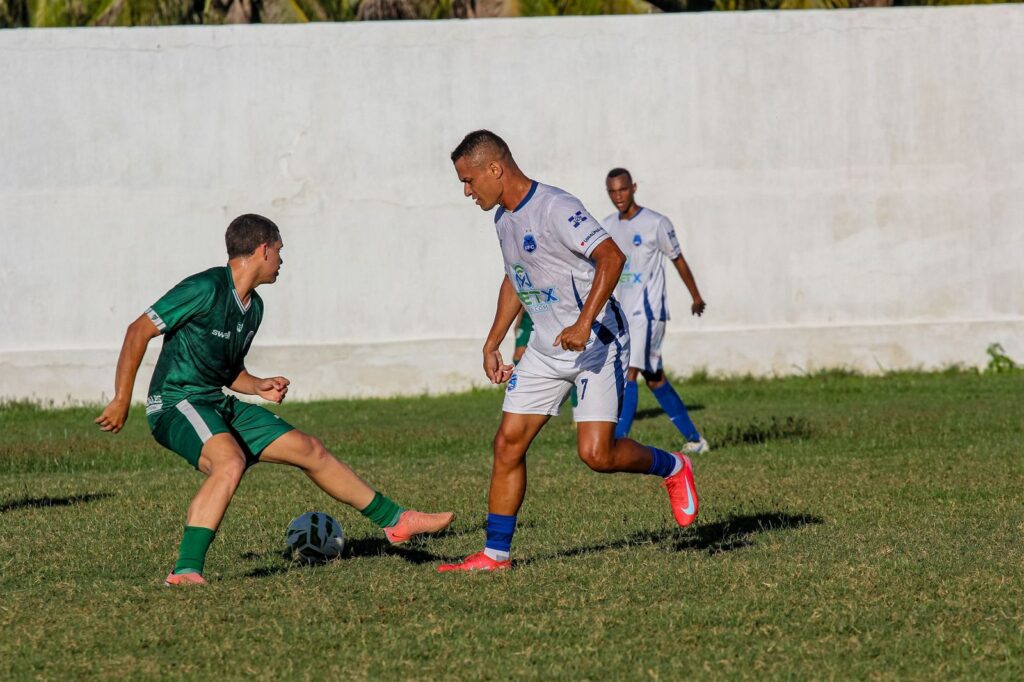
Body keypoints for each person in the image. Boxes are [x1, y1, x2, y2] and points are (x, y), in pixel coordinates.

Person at [95, 214, 453, 586]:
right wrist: (122, 398)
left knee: (308, 448)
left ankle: (396, 522)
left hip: (213, 401)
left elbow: (228, 371)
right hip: (176, 403)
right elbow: (138, 330)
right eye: (280, 251)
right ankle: (186, 570)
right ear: (263, 249)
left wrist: (257, 385)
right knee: (229, 463)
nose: (282, 261)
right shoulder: (204, 287)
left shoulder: (255, 308)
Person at [438, 131, 700, 573]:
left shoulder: (556, 207)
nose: (466, 191)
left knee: (597, 455)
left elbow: (612, 258)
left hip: (596, 343)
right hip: (544, 348)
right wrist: (493, 341)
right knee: (507, 445)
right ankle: (495, 555)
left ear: (494, 169)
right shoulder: (502, 218)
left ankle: (674, 466)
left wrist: (583, 323)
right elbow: (515, 279)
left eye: (468, 180)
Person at [603, 168, 709, 452]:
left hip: (648, 313)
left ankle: (619, 442)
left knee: (629, 372)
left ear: (633, 187)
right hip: (624, 314)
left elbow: (678, 260)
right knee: (654, 378)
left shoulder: (656, 223)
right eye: (612, 192)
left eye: (622, 190)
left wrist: (695, 296)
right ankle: (696, 440)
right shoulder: (608, 225)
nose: (618, 197)